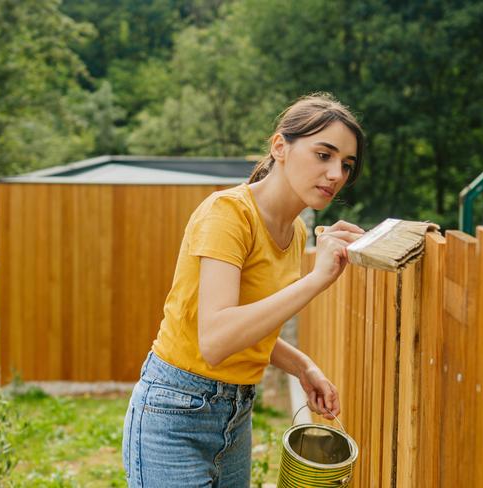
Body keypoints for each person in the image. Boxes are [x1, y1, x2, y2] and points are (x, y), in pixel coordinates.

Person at [122, 92, 365, 487]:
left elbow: (249, 328)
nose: (337, 174)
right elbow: (217, 339)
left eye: (346, 164)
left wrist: (304, 367)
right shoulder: (228, 214)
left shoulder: (296, 230)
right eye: (324, 155)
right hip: (174, 416)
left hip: (234, 418)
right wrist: (316, 279)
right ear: (280, 147)